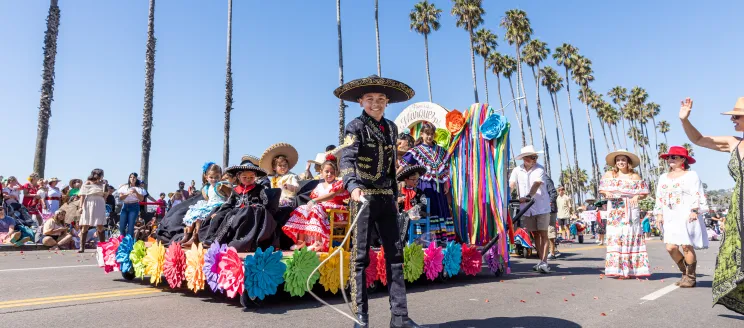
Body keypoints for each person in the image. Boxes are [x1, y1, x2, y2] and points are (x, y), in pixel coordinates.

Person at [335, 74, 423, 328]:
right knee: (360, 258)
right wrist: (353, 187)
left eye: (381, 99)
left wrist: (396, 194)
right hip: (363, 198)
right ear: (361, 101)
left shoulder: (392, 128)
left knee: (395, 256)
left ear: (387, 102)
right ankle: (360, 317)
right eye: (370, 99)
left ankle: (400, 317)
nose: (376, 103)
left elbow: (391, 167)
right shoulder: (354, 127)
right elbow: (348, 160)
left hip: (386, 198)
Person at [680, 97, 744, 313]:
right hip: (739, 207)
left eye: (737, 116)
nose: (732, 120)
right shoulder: (734, 143)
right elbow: (698, 139)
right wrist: (685, 120)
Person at [653, 145, 708, 288]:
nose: (670, 159)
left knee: (686, 246)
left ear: (683, 159)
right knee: (670, 247)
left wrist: (694, 210)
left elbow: (697, 192)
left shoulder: (691, 175)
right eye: (669, 157)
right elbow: (659, 196)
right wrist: (659, 214)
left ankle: (690, 277)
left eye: (674, 157)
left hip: (686, 213)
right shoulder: (663, 177)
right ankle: (684, 272)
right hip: (669, 214)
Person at [202, 159, 277, 252]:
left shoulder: (259, 188)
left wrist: (256, 206)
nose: (248, 179)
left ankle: (217, 241)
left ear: (255, 177)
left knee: (231, 216)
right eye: (244, 177)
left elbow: (265, 201)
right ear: (238, 176)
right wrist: (219, 212)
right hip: (235, 209)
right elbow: (229, 203)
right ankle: (209, 238)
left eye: (251, 177)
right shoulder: (236, 189)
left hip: (249, 213)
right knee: (218, 216)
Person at [599, 149, 651, 279]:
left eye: (623, 160)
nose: (620, 162)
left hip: (630, 209)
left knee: (630, 234)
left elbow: (644, 193)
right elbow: (602, 190)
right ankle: (618, 269)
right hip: (615, 209)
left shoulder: (634, 177)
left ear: (628, 162)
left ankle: (631, 270)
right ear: (615, 163)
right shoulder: (609, 175)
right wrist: (607, 194)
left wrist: (636, 197)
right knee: (617, 235)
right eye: (618, 160)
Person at [283, 155, 350, 252]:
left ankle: (318, 242)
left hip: (335, 211)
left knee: (315, 208)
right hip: (322, 208)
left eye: (332, 172)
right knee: (302, 208)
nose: (329, 174)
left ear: (336, 173)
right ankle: (301, 240)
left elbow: (331, 196)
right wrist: (312, 203)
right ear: (321, 172)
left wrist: (315, 201)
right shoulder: (319, 185)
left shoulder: (338, 184)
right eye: (327, 172)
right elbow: (314, 199)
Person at [401, 121, 453, 244]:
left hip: (438, 186)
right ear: (422, 134)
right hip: (424, 186)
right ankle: (426, 238)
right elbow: (403, 165)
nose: (429, 136)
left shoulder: (441, 150)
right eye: (427, 134)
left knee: (440, 209)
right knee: (427, 209)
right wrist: (395, 177)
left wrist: (445, 183)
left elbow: (446, 168)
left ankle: (441, 238)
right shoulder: (416, 151)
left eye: (431, 134)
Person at [510, 145, 552, 273]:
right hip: (527, 208)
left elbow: (537, 183)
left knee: (544, 233)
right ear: (524, 158)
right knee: (535, 234)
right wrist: (507, 193)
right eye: (532, 157)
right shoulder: (517, 170)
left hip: (541, 206)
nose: (535, 159)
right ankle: (541, 260)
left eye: (535, 157)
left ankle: (544, 262)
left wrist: (528, 196)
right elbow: (511, 183)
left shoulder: (539, 169)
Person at [181, 162, 230, 246]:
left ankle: (196, 237)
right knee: (193, 214)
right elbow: (208, 199)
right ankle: (187, 235)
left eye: (217, 177)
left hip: (218, 205)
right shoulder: (206, 188)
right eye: (211, 177)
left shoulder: (221, 185)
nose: (214, 179)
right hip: (209, 205)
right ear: (206, 177)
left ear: (221, 176)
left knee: (199, 218)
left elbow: (229, 196)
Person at [259, 143, 301, 207]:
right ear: (274, 168)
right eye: (280, 166)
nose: (283, 167)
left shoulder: (291, 176)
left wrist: (290, 187)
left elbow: (298, 187)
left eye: (285, 165)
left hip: (289, 200)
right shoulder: (273, 179)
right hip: (277, 201)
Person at [396, 165, 428, 245]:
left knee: (406, 216)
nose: (416, 182)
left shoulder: (419, 192)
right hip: (401, 214)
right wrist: (397, 202)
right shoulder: (399, 192)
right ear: (406, 180)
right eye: (413, 180)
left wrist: (415, 208)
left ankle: (401, 241)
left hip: (416, 214)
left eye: (417, 180)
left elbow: (424, 203)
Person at [78, 169, 107, 252]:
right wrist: (80, 207)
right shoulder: (87, 182)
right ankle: (82, 247)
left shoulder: (103, 183)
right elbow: (82, 196)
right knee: (85, 225)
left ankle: (103, 247)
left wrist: (105, 186)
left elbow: (105, 195)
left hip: (99, 203)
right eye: (100, 174)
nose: (101, 176)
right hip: (89, 203)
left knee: (100, 225)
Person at [117, 173, 146, 238]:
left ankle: (129, 241)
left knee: (131, 225)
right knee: (122, 225)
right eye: (131, 177)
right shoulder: (124, 187)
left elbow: (141, 199)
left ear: (136, 179)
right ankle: (122, 240)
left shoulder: (139, 188)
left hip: (134, 206)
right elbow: (121, 198)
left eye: (134, 177)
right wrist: (127, 193)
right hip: (125, 206)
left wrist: (136, 192)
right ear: (129, 178)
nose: (132, 179)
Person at [545, 176, 559, 259]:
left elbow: (553, 193)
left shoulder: (546, 179)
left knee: (550, 230)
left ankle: (552, 252)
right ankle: (547, 251)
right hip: (543, 209)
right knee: (544, 231)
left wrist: (549, 202)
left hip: (550, 210)